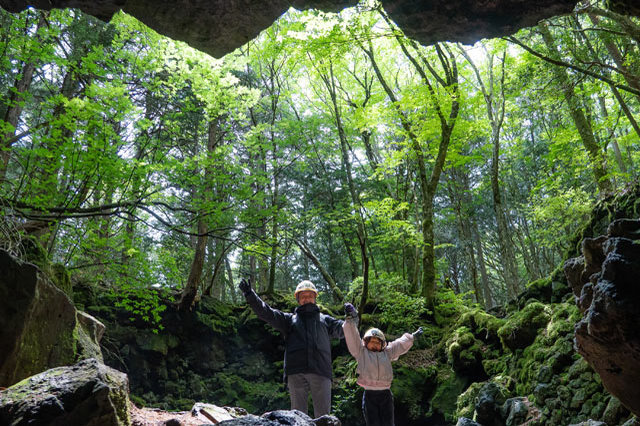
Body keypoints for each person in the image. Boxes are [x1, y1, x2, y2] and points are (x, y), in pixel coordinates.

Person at [239, 278, 344, 418]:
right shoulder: (289, 320)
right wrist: (250, 294)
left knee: (324, 416)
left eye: (310, 296)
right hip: (296, 372)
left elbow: (345, 330)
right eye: (303, 296)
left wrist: (352, 318)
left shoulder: (325, 320)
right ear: (298, 299)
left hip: (321, 370)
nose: (307, 299)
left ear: (315, 298)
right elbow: (266, 313)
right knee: (297, 416)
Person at [342, 302, 423, 426]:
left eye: (377, 342)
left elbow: (399, 345)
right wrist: (350, 320)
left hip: (385, 394)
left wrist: (412, 337)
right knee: (373, 422)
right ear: (365, 343)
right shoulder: (361, 352)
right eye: (371, 341)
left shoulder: (387, 352)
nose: (374, 344)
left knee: (388, 423)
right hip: (369, 394)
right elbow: (352, 337)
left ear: (382, 344)